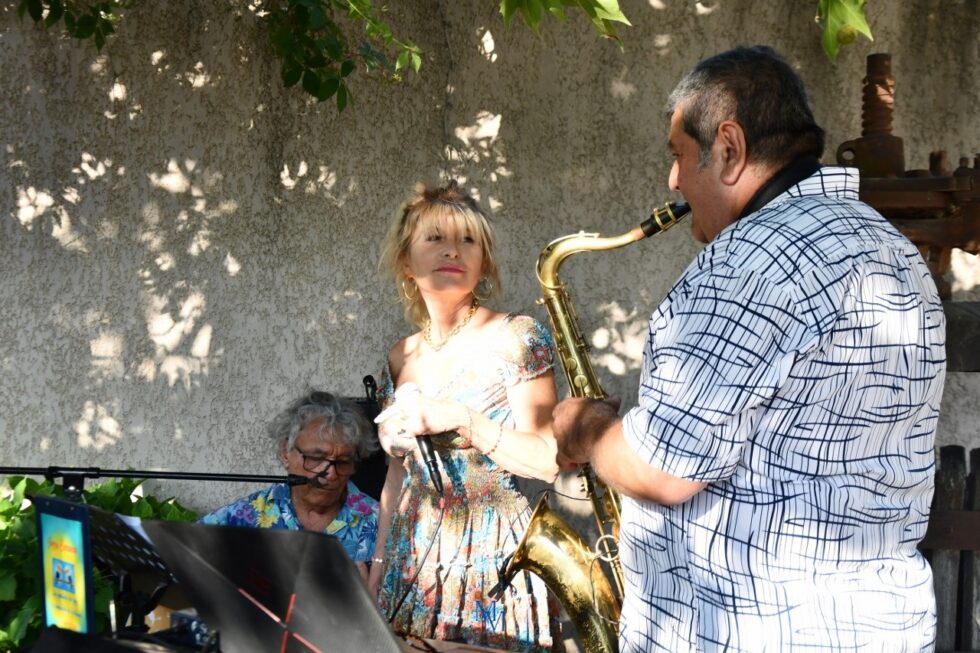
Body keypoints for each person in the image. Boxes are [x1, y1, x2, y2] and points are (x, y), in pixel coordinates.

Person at [552, 46, 947, 652]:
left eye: (680, 156)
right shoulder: (890, 250)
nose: (673, 181)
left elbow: (664, 468)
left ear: (729, 148)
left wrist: (587, 427)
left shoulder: (746, 262)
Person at [369, 181, 562, 651]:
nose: (453, 250)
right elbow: (398, 475)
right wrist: (376, 570)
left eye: (468, 240)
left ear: (484, 262)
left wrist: (460, 418)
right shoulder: (400, 355)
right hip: (411, 554)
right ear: (405, 262)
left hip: (490, 553)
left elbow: (548, 461)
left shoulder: (516, 335)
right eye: (435, 238)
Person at [200, 390, 380, 580]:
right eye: (316, 458)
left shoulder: (379, 525)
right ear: (286, 452)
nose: (331, 473)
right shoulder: (245, 516)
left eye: (343, 461)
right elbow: (182, 562)